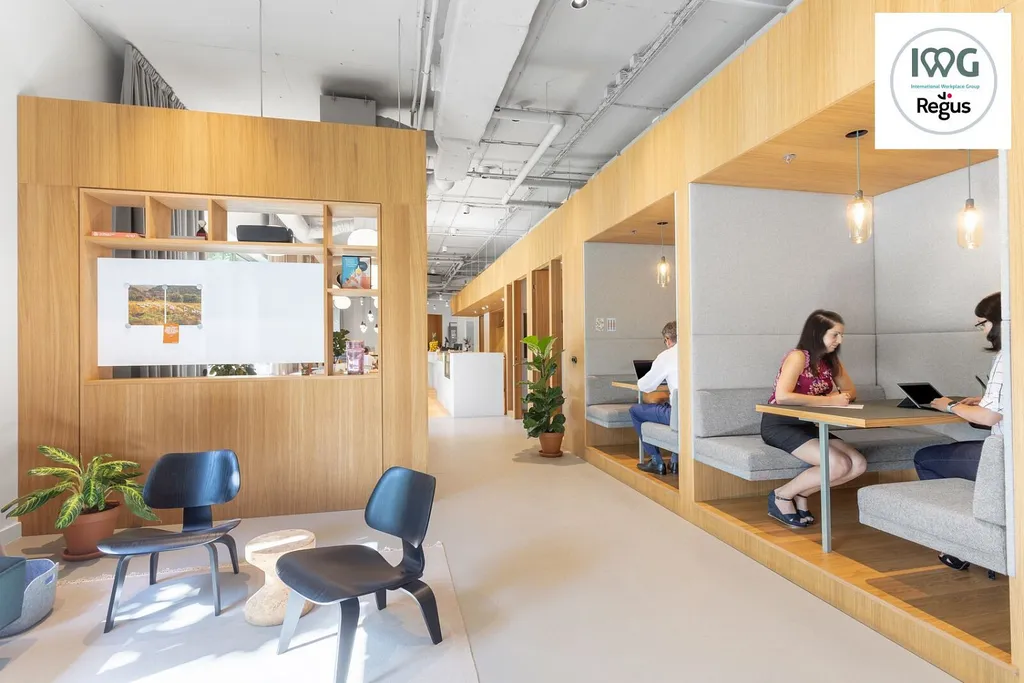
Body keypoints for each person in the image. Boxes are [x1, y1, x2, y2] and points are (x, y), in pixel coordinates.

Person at [914, 292, 1004, 572]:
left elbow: (989, 417)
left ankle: (959, 543)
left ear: (997, 321)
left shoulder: (1007, 357)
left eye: (982, 324)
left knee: (925, 459)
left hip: (1005, 460)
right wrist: (984, 400)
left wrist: (951, 406)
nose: (983, 331)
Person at [761, 310, 867, 528]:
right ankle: (781, 496)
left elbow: (851, 391)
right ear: (818, 334)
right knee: (838, 464)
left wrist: (838, 397)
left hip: (808, 423)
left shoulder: (830, 361)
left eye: (841, 335)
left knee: (858, 464)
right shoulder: (798, 357)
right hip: (780, 424)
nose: (840, 340)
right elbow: (782, 397)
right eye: (835, 335)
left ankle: (802, 494)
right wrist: (829, 400)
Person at [631, 321, 679, 476]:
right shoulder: (696, 351)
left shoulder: (667, 356)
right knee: (674, 405)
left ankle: (656, 460)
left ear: (668, 339)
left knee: (635, 411)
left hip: (676, 415)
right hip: (695, 414)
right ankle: (675, 461)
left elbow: (645, 386)